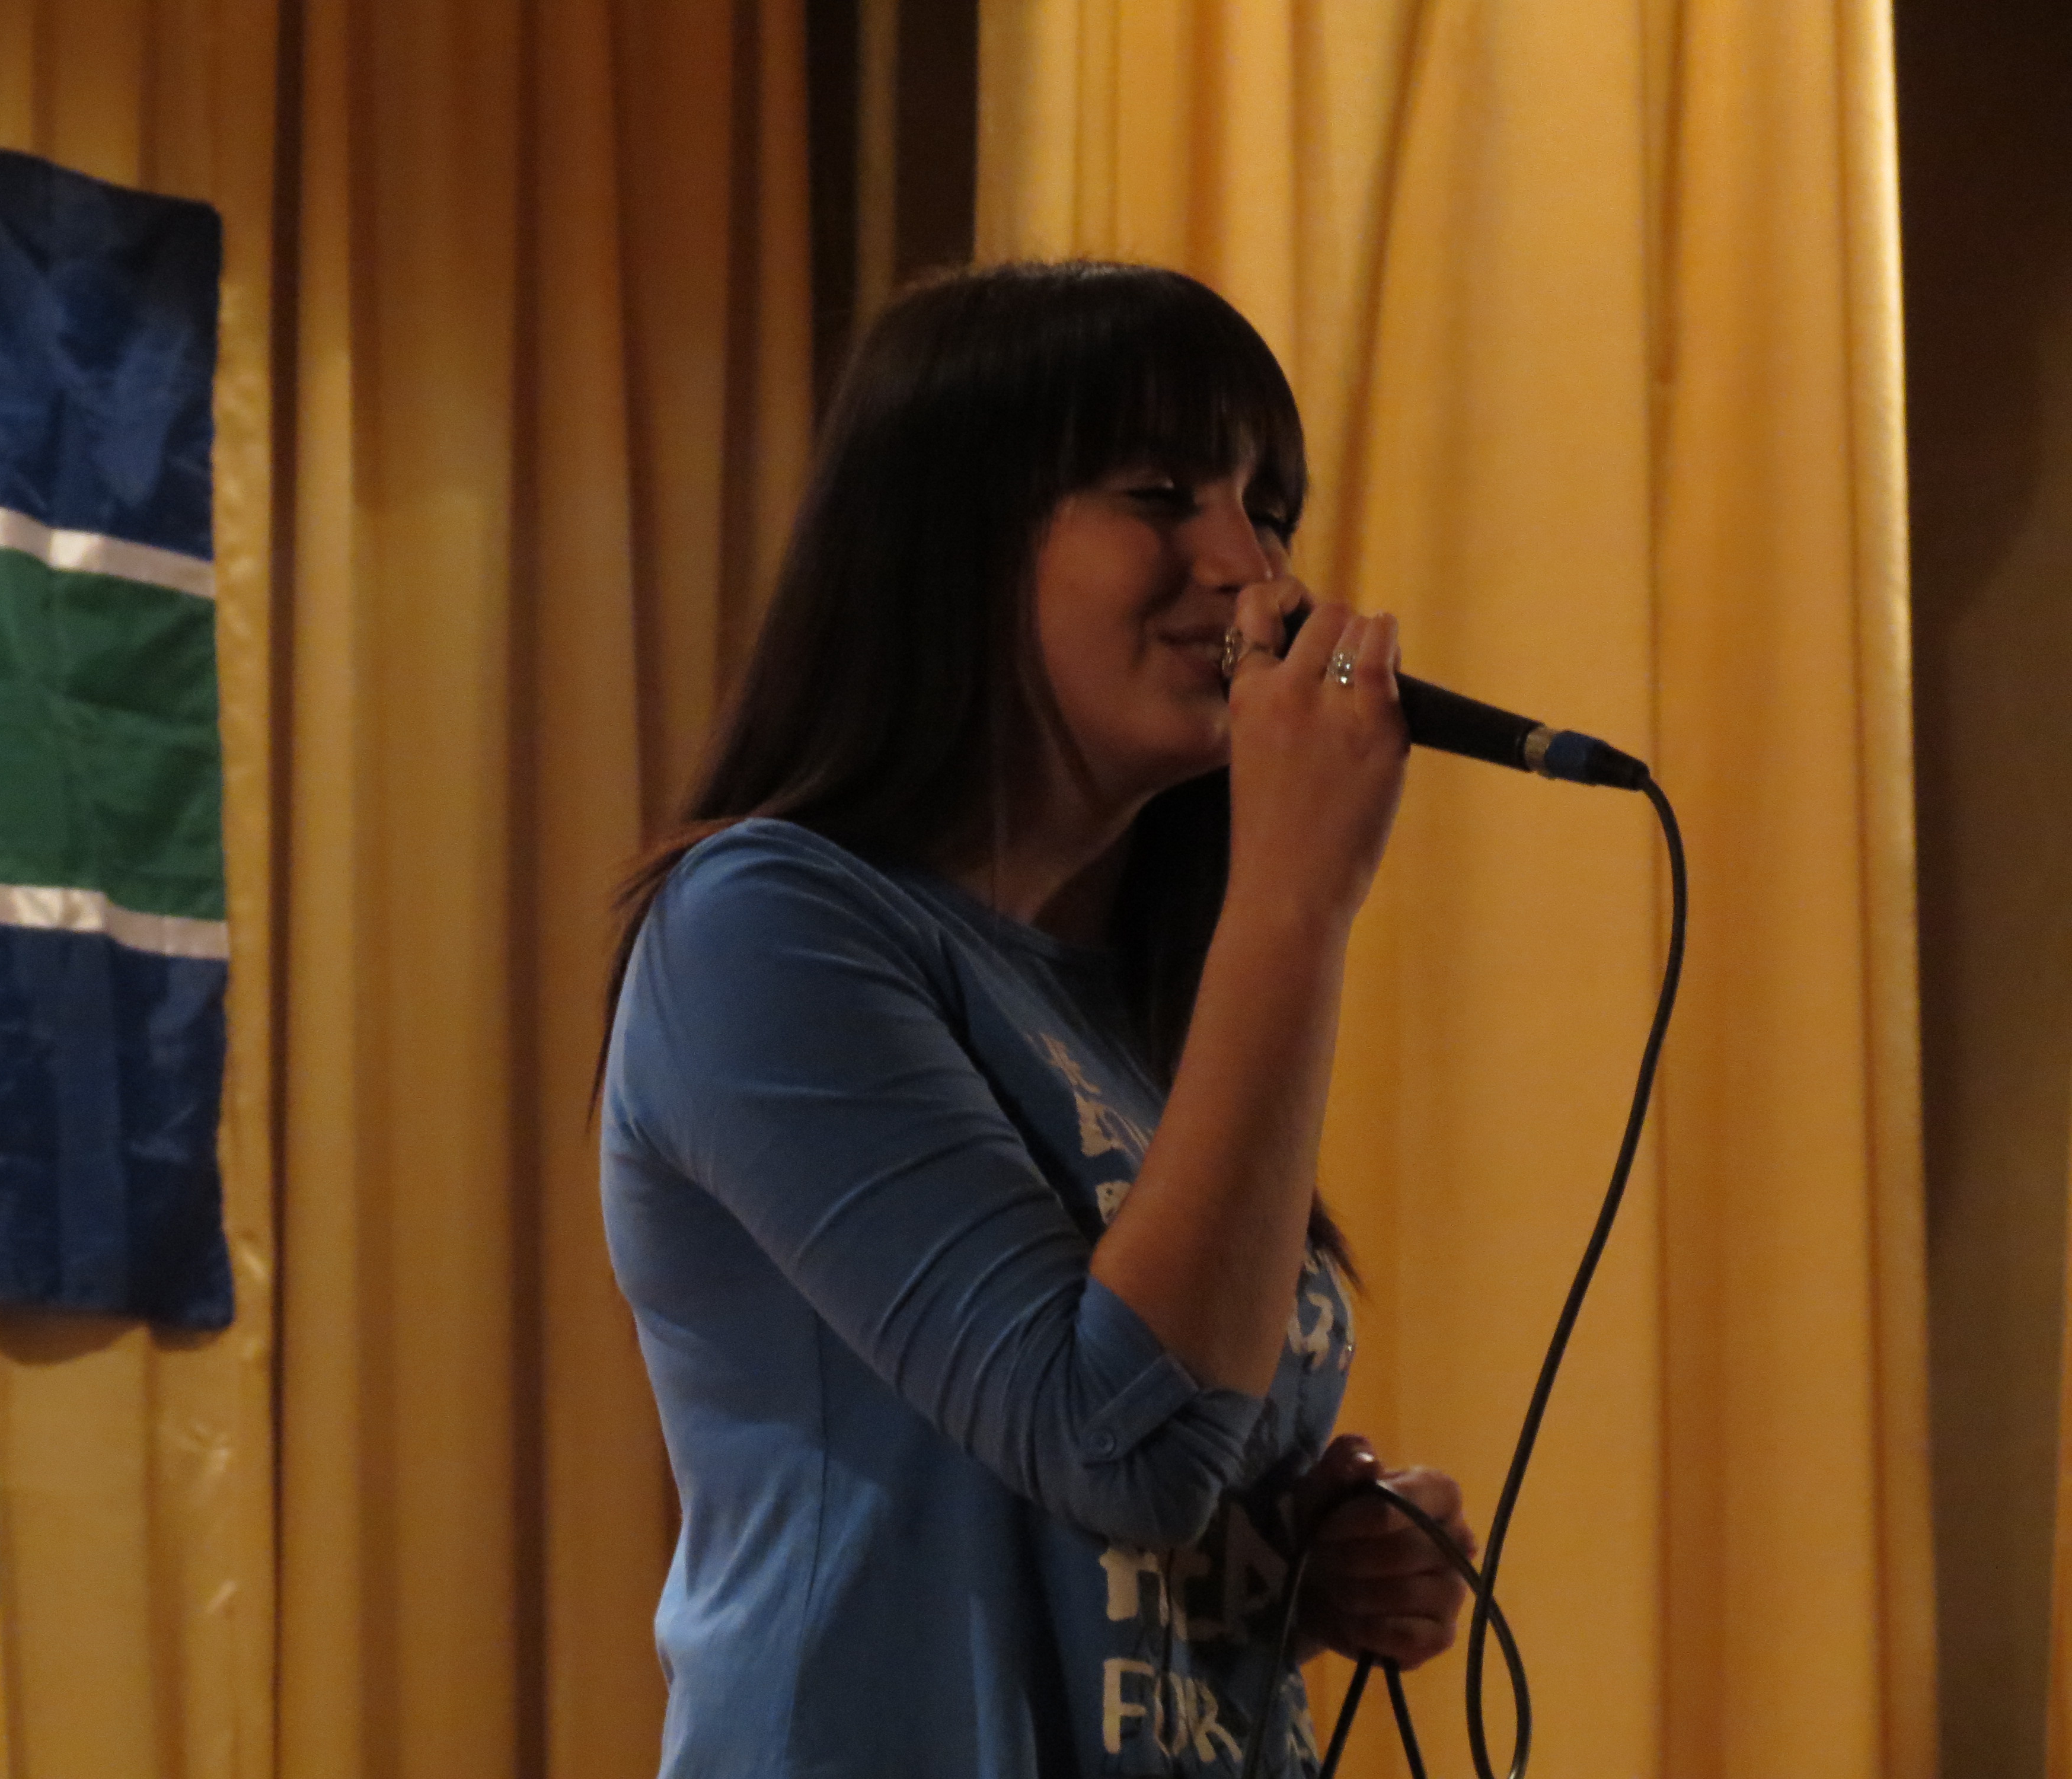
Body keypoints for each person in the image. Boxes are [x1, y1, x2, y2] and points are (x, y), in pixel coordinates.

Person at [600, 260, 1474, 1778]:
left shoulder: (1140, 1000)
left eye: (1267, 509)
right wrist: (1294, 899)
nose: (1249, 570)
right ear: (953, 541)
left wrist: (1308, 1557)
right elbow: (1114, 1443)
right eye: (1158, 495)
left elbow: (1142, 1494)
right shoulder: (763, 928)